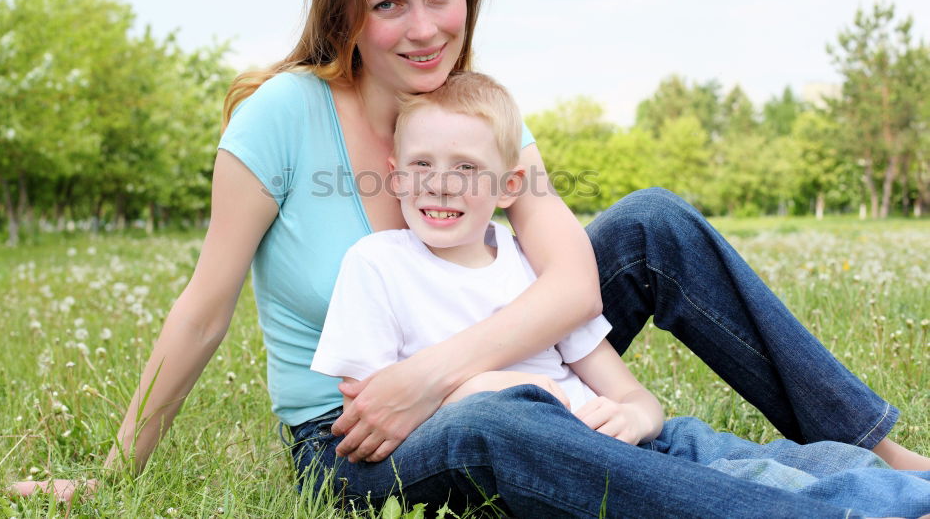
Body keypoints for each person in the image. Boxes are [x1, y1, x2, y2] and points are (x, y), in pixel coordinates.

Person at [14, 0, 929, 517]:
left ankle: (883, 463)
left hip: (489, 375)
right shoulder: (282, 117)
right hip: (356, 436)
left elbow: (573, 284)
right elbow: (203, 310)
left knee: (651, 223)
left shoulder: (473, 118)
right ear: (345, 14)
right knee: (498, 421)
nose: (424, 29)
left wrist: (439, 372)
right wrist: (112, 476)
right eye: (390, 4)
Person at [310, 70, 930, 517]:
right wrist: (492, 388)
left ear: (508, 185)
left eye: (466, 168)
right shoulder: (378, 265)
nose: (440, 185)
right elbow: (378, 415)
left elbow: (631, 396)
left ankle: (902, 491)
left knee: (757, 463)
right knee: (704, 485)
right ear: (394, 174)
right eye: (421, 166)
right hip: (533, 439)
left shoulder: (529, 268)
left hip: (606, 431)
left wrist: (635, 414)